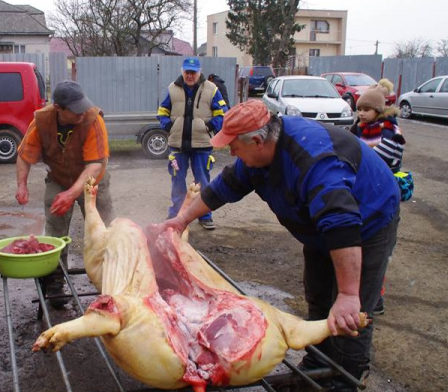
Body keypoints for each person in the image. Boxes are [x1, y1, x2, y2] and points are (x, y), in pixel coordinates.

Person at [154, 100, 400, 390]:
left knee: (347, 315)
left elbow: (342, 225)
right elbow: (224, 187)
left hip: (367, 223)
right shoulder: (258, 156)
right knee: (319, 298)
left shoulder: (313, 161)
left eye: (234, 146)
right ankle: (317, 365)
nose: (231, 153)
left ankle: (344, 380)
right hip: (320, 230)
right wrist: (181, 221)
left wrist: (347, 293)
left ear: (258, 140)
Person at [15, 80, 113, 308]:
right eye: (75, 109)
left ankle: (110, 279)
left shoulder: (92, 119)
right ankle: (56, 281)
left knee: (104, 230)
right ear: (58, 108)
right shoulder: (42, 121)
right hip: (59, 178)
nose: (82, 113)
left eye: (83, 106)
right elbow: (24, 154)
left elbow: (95, 165)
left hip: (93, 180)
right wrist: (22, 184)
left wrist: (71, 194)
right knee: (55, 233)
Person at [350, 78, 406, 316]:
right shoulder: (357, 128)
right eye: (359, 109)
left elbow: (378, 162)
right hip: (361, 195)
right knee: (360, 249)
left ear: (379, 110)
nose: (362, 114)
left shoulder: (391, 132)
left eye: (367, 109)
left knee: (377, 254)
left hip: (383, 196)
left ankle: (375, 300)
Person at [158, 57, 228, 230]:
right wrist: (168, 126)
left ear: (199, 72)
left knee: (203, 181)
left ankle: (205, 215)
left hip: (202, 144)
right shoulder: (172, 88)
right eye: (187, 72)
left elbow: (222, 112)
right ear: (183, 71)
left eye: (193, 72)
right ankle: (176, 215)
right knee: (177, 181)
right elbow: (162, 111)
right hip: (177, 144)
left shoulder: (212, 89)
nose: (190, 75)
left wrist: (210, 126)